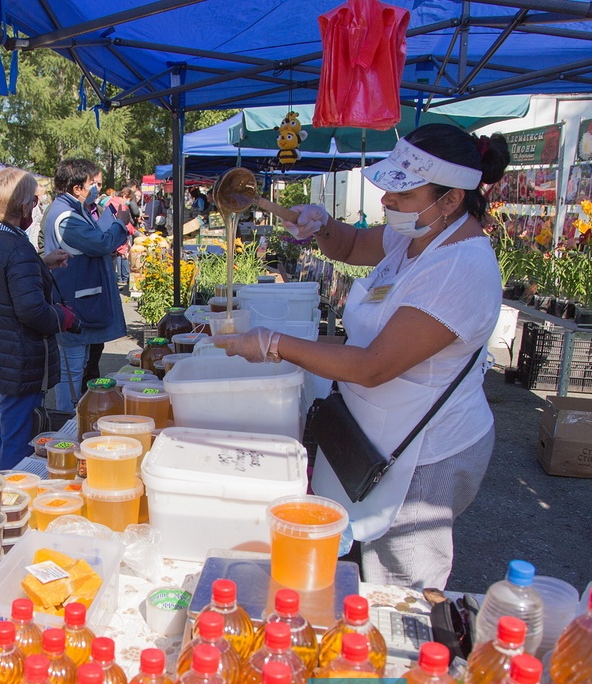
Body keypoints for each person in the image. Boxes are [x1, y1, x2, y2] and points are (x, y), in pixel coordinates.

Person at [214, 125, 510, 589]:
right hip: (376, 427)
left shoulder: (460, 268)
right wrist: (322, 227)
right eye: (387, 188)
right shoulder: (416, 236)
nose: (388, 201)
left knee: (402, 579)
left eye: (403, 193)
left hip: (425, 449)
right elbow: (350, 246)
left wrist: (277, 344)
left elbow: (373, 365)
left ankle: (402, 657)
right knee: (361, 556)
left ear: (452, 200)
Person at [0, 168, 75, 469]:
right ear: (26, 205)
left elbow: (1, 282)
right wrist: (63, 317)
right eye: (35, 200)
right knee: (18, 442)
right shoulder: (17, 248)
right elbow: (31, 310)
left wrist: (40, 265)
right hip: (17, 360)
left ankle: (5, 496)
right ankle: (13, 504)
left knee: (8, 431)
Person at [44, 159, 131, 413]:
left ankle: (71, 416)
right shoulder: (66, 215)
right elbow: (100, 243)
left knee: (76, 367)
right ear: (76, 188)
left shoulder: (72, 209)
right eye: (92, 183)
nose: (95, 188)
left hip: (78, 301)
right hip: (75, 302)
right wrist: (120, 223)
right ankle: (67, 419)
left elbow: (94, 241)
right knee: (71, 370)